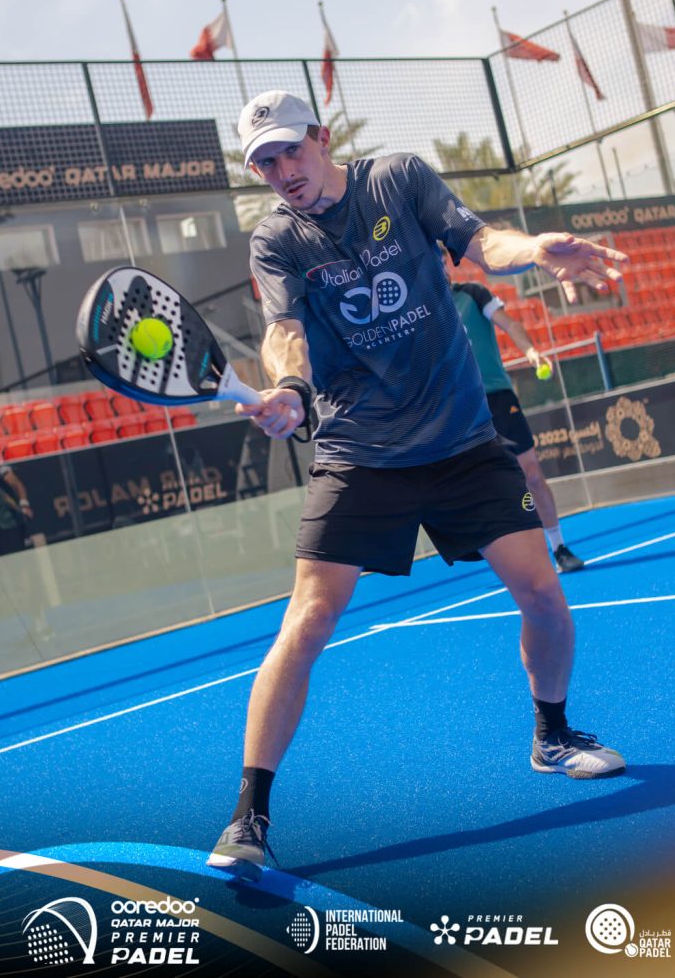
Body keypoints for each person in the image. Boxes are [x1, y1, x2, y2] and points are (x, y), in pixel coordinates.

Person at [208, 90, 628, 879]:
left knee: (542, 592)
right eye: (264, 160)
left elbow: (482, 242)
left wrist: (536, 247)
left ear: (320, 137)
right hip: (359, 452)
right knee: (308, 619)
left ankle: (551, 735)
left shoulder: (396, 179)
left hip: (462, 440)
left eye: (290, 149)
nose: (281, 169)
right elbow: (285, 331)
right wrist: (290, 390)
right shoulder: (276, 239)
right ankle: (248, 813)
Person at [444, 250, 585, 572]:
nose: (437, 265)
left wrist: (531, 351)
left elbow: (509, 323)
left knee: (531, 474)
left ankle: (559, 547)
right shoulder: (422, 314)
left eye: (439, 259)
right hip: (460, 408)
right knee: (482, 488)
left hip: (497, 397)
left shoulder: (472, 294)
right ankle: (511, 557)